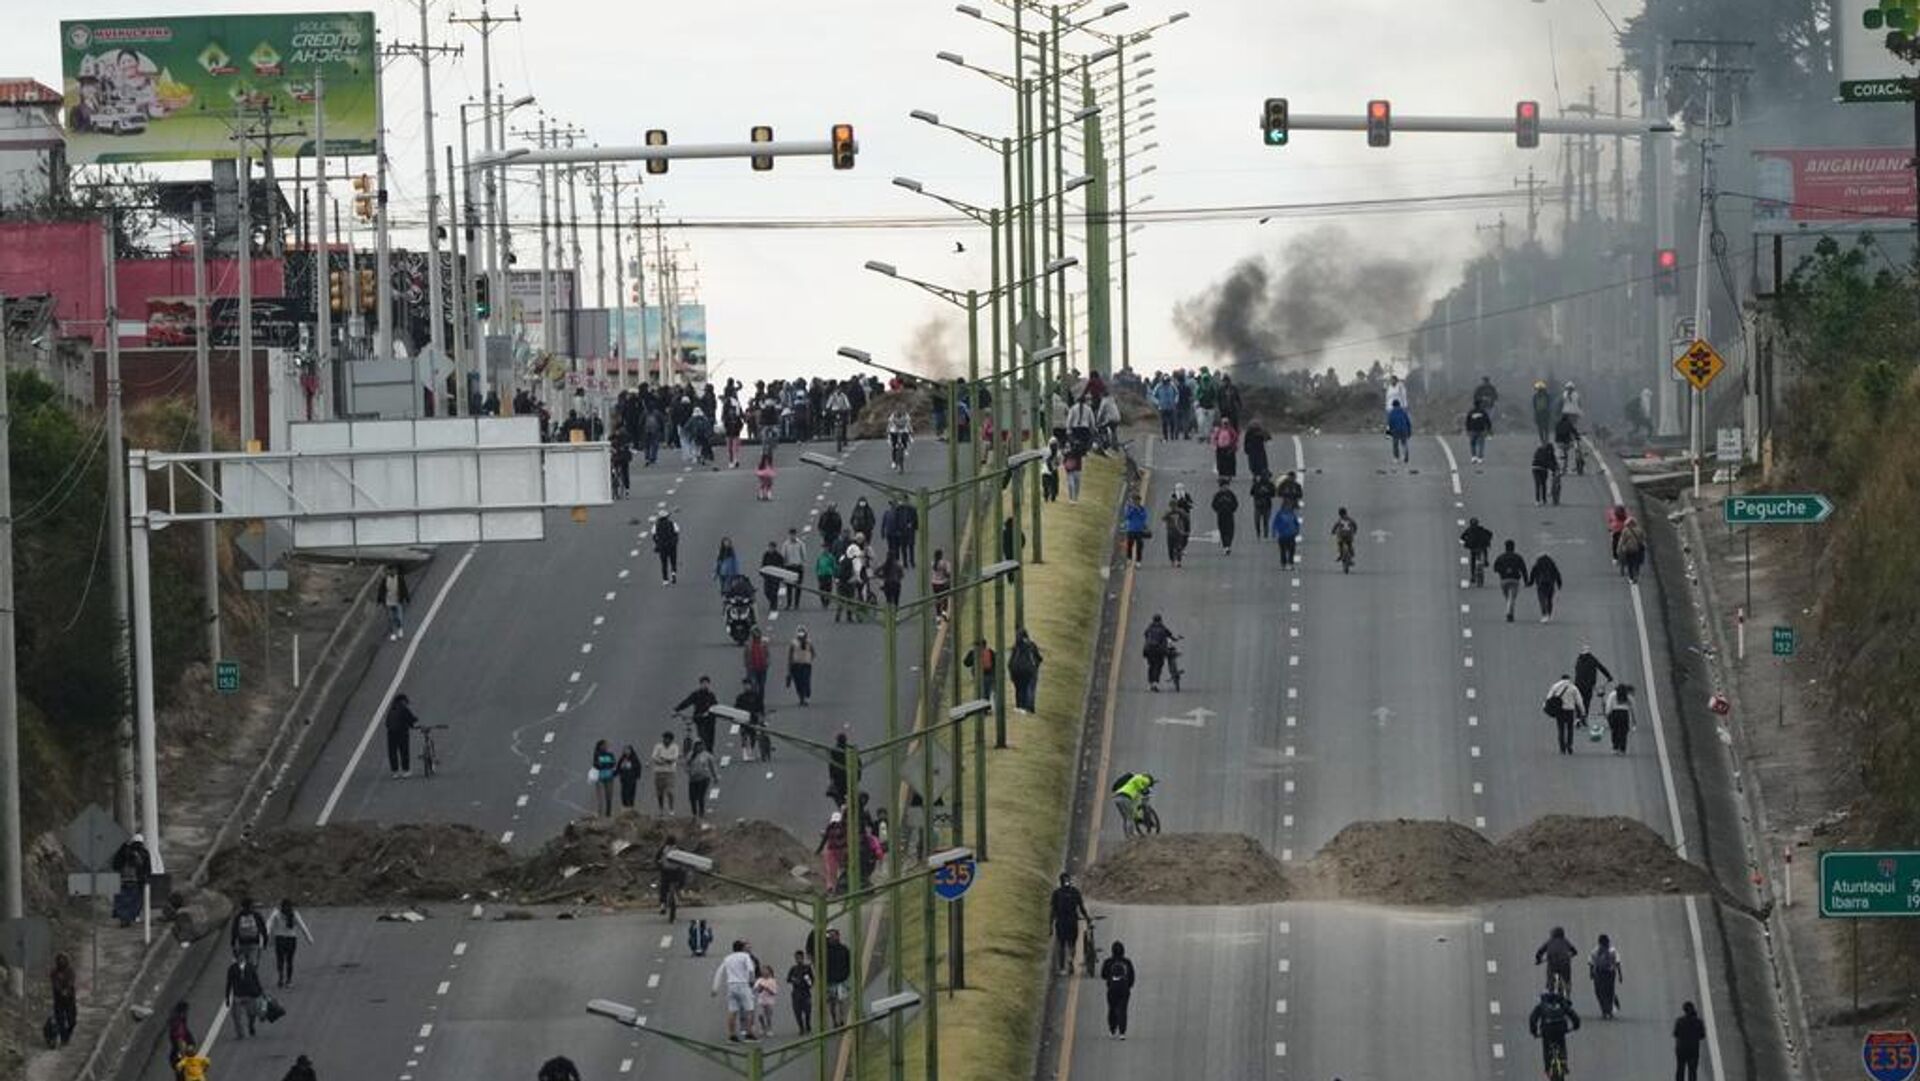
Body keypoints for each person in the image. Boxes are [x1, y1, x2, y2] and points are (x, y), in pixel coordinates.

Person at [1527, 985, 1581, 1077]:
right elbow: (1573, 1015)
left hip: (1547, 1030)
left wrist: (1534, 1032)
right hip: (1561, 1029)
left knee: (1546, 1048)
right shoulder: (1562, 1004)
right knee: (1562, 1045)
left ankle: (1548, 1068)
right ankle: (1564, 1062)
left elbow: (1533, 1019)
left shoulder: (1541, 1006)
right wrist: (1576, 1026)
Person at [713, 940, 760, 1041]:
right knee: (749, 1009)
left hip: (731, 985)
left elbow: (720, 971)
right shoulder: (745, 956)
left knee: (732, 1011)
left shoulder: (728, 958)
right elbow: (751, 970)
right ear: (742, 948)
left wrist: (715, 988)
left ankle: (732, 1034)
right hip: (743, 984)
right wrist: (752, 981)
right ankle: (749, 1033)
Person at [1050, 873, 1092, 975]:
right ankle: (1070, 959)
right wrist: (1087, 918)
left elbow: (1053, 911)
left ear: (1060, 882)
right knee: (1072, 943)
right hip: (1072, 922)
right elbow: (1081, 908)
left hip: (1061, 922)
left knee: (1062, 945)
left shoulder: (1056, 893)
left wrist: (1050, 925)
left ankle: (1062, 968)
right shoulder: (1075, 892)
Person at [268, 898, 314, 989]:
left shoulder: (276, 913)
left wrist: (267, 937)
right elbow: (302, 926)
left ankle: (281, 977)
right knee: (289, 960)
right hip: (291, 939)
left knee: (280, 960)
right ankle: (288, 980)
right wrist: (309, 939)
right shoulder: (294, 914)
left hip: (280, 938)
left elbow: (269, 924)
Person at [110, 832, 152, 927]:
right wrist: (147, 879)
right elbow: (147, 868)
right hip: (136, 881)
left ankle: (123, 918)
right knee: (134, 900)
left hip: (122, 880)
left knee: (122, 900)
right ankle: (131, 917)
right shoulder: (143, 852)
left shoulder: (123, 851)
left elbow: (115, 865)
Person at [675, 676, 720, 755]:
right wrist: (677, 709)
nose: (705, 685)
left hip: (710, 720)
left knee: (710, 738)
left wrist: (710, 712)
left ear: (709, 684)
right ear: (700, 684)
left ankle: (709, 753)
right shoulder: (696, 694)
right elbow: (687, 702)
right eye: (703, 683)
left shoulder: (711, 695)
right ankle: (699, 751)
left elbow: (715, 706)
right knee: (702, 736)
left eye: (706, 683)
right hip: (699, 719)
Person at [1101, 940, 1136, 1039]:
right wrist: (1128, 986)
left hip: (1112, 990)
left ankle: (1112, 1030)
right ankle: (1122, 1032)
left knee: (1112, 1009)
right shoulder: (1127, 962)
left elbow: (1103, 975)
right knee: (1123, 1009)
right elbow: (1132, 976)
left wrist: (1110, 980)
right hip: (1124, 989)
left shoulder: (1108, 962)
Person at [224, 956, 264, 1040]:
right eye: (239, 957)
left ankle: (251, 1025)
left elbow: (256, 979)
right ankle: (240, 1034)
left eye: (242, 958)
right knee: (236, 1016)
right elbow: (229, 983)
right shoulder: (232, 969)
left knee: (251, 1013)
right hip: (238, 995)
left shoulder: (250, 967)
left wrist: (260, 991)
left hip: (250, 994)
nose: (240, 959)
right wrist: (227, 997)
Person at [1535, 926, 1581, 998]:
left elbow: (1539, 952)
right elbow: (1574, 951)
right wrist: (1571, 955)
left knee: (1550, 978)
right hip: (1565, 963)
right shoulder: (1565, 941)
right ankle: (1567, 995)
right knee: (1567, 980)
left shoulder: (1549, 942)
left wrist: (1538, 960)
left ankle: (1550, 990)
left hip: (1552, 964)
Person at [1572, 645, 1614, 720]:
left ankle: (1578, 717)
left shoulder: (1578, 660)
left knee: (1579, 701)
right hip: (1588, 685)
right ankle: (1584, 717)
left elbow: (1577, 672)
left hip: (1578, 685)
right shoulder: (1592, 659)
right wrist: (1609, 676)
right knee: (1586, 701)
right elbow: (1601, 668)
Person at [821, 928, 852, 1027]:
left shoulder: (844, 949)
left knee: (841, 1001)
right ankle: (834, 1020)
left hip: (842, 980)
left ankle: (842, 1019)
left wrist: (846, 975)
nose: (832, 938)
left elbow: (849, 963)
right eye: (830, 936)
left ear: (838, 936)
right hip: (830, 981)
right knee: (832, 1003)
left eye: (833, 935)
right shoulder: (825, 951)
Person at [1545, 673, 1583, 755]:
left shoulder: (1555, 686)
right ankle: (1569, 746)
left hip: (1560, 711)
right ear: (1569, 679)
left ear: (1561, 679)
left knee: (1561, 729)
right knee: (1570, 729)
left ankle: (1562, 748)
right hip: (1570, 710)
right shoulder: (1573, 687)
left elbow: (1548, 698)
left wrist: (1545, 707)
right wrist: (1583, 712)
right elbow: (1579, 701)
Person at [1111, 770, 1156, 837]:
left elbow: (1137, 794)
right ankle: (1131, 835)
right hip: (1124, 797)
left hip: (1118, 797)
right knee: (1130, 817)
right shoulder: (1143, 778)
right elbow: (1138, 781)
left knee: (1126, 817)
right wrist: (1143, 789)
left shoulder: (1131, 783)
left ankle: (1128, 835)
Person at [1142, 614, 1181, 691]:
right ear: (1160, 620)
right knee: (1158, 666)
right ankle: (1155, 683)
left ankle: (1150, 683)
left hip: (1149, 650)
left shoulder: (1149, 628)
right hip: (1159, 651)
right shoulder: (1163, 628)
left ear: (1153, 620)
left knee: (1151, 666)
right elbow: (1170, 636)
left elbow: (1146, 635)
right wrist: (1176, 639)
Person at [1589, 932, 1623, 1019]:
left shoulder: (1595, 951)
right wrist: (1620, 975)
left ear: (1599, 942)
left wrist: (1591, 973)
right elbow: (1618, 963)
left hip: (1599, 973)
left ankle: (1605, 1010)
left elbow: (1591, 963)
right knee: (1609, 991)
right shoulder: (1613, 950)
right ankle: (1609, 1010)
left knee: (1600, 992)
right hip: (1610, 973)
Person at [384, 694, 419, 779]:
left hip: (391, 733)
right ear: (403, 701)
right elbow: (411, 719)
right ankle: (406, 770)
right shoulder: (404, 709)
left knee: (392, 752)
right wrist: (415, 721)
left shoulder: (392, 709)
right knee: (404, 751)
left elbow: (387, 723)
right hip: (402, 733)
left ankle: (395, 772)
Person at [1009, 629, 1044, 713]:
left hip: (1016, 671)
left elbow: (1011, 661)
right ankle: (1029, 707)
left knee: (1019, 689)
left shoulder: (1015, 647)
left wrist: (1011, 672)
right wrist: (1036, 665)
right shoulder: (1031, 645)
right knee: (1029, 688)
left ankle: (1019, 706)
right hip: (1029, 670)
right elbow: (1038, 658)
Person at [1493, 540, 1529, 622]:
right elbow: (1523, 569)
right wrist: (1526, 581)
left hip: (1504, 580)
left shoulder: (1501, 557)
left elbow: (1495, 568)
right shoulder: (1518, 557)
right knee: (1512, 598)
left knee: (1508, 598)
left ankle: (1509, 612)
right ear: (1513, 547)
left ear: (1505, 547)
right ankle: (1509, 613)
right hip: (1515, 580)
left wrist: (1502, 571)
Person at [1673, 1001, 1707, 1081]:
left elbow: (1675, 1034)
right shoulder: (1698, 1022)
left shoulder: (1679, 1021)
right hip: (1693, 1050)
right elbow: (1702, 1036)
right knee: (1692, 1071)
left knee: (1680, 1069)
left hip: (1681, 1049)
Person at [817, 811, 850, 894]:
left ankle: (835, 886)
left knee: (836, 870)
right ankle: (833, 887)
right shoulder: (837, 827)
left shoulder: (842, 827)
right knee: (833, 870)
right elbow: (825, 838)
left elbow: (825, 838)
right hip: (836, 850)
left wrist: (819, 850)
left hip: (838, 850)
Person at [686, 739, 718, 823]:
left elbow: (712, 766)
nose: (699, 747)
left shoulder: (707, 755)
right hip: (693, 779)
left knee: (700, 797)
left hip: (704, 778)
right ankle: (694, 814)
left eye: (700, 745)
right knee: (692, 798)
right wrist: (689, 771)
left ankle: (701, 813)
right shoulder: (690, 755)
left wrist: (715, 777)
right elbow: (686, 765)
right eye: (697, 745)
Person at [231, 897, 268, 968]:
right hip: (254, 942)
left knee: (241, 964)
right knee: (253, 963)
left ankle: (243, 972)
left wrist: (233, 943)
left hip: (242, 942)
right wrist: (265, 941)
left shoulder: (238, 916)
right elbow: (263, 929)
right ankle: (252, 972)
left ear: (242, 906)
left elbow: (234, 930)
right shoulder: (256, 915)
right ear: (251, 905)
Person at [49, 953, 77, 1046]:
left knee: (72, 1020)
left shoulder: (70, 971)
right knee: (60, 1020)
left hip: (70, 999)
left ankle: (67, 1034)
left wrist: (67, 990)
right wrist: (60, 991)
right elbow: (55, 983)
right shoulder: (54, 972)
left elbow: (71, 981)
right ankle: (64, 1038)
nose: (61, 962)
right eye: (59, 960)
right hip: (59, 999)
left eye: (63, 960)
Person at [377, 564, 410, 641]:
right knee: (391, 619)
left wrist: (407, 598)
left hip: (397, 601)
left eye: (394, 570)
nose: (392, 572)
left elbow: (404, 588)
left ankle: (399, 629)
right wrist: (379, 600)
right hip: (388, 602)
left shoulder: (399, 579)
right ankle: (393, 633)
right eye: (390, 570)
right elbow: (381, 590)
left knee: (399, 617)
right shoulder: (385, 580)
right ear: (388, 571)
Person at [650, 730, 680, 813]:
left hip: (670, 772)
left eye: (668, 738)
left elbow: (674, 758)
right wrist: (664, 761)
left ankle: (671, 808)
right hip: (659, 772)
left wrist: (663, 758)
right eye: (664, 738)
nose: (666, 740)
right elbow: (654, 757)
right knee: (660, 792)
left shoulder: (675, 747)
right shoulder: (658, 746)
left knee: (670, 791)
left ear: (671, 740)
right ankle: (661, 808)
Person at [1602, 683, 1637, 754]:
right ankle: (1622, 748)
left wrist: (1607, 715)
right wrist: (1634, 720)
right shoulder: (1628, 696)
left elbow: (1609, 705)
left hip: (1615, 713)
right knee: (1623, 732)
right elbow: (1633, 708)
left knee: (1615, 731)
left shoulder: (1612, 695)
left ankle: (1615, 747)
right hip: (1624, 714)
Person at [787, 950, 815, 1034]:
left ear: (802, 958)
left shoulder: (807, 968)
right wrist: (794, 980)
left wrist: (808, 982)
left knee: (807, 1010)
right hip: (796, 992)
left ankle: (808, 1024)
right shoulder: (793, 969)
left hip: (805, 992)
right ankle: (801, 1027)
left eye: (800, 958)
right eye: (797, 958)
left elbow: (812, 980)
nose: (798, 960)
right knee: (797, 1011)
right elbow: (788, 979)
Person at [1531, 551, 1564, 622]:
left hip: (1541, 584)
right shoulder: (1552, 564)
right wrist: (1559, 584)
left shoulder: (1537, 564)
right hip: (1550, 584)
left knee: (1542, 599)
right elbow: (1557, 574)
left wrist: (1530, 583)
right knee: (1549, 599)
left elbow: (1533, 574)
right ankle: (1549, 614)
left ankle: (1544, 614)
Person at [787, 628, 816, 706]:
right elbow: (790, 655)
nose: (801, 638)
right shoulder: (793, 643)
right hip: (796, 665)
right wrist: (789, 667)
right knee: (798, 683)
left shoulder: (809, 643)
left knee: (806, 681)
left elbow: (813, 653)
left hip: (806, 665)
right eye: (800, 636)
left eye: (803, 636)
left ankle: (806, 694)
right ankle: (801, 699)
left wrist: (808, 659)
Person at [1461, 518, 1494, 586]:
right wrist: (1488, 540)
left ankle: (1473, 575)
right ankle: (1485, 560)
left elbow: (1462, 537)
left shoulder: (1469, 530)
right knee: (1484, 549)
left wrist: (1466, 542)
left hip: (1473, 548)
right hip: (1481, 548)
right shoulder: (1481, 529)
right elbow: (1490, 534)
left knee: (1473, 560)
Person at [1161, 493, 1191, 568]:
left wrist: (1186, 529)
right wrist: (1168, 514)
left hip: (1179, 532)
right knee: (1170, 548)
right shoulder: (1168, 512)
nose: (1173, 507)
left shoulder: (1180, 511)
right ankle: (1172, 560)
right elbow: (1163, 518)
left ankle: (1179, 561)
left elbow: (1186, 518)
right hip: (1170, 532)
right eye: (1172, 505)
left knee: (1179, 547)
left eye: (1174, 505)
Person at [1211, 478, 1239, 555]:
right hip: (1221, 516)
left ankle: (1228, 545)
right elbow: (1213, 505)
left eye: (1226, 486)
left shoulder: (1231, 494)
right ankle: (1225, 546)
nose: (1225, 487)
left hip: (1229, 515)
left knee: (1230, 531)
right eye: (1223, 486)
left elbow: (1236, 504)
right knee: (1223, 531)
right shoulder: (1218, 495)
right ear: (1220, 487)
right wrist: (1219, 510)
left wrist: (1231, 509)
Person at [1121, 493, 1149, 567]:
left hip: (1139, 530)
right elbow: (1127, 516)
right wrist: (1132, 509)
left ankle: (1138, 561)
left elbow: (1144, 517)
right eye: (1135, 500)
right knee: (1130, 545)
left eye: (1138, 500)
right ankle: (1129, 559)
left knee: (1139, 546)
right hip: (1131, 530)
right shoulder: (1130, 508)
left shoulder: (1142, 509)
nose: (1136, 502)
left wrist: (1138, 510)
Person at [1617, 517, 1648, 585]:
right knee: (1636, 563)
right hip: (1637, 549)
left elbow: (1622, 541)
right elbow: (1643, 539)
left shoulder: (1625, 531)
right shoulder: (1639, 530)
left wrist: (1620, 549)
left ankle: (1631, 577)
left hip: (1628, 549)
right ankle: (1636, 575)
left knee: (1630, 564)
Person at [653, 511, 681, 585]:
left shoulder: (656, 525)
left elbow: (654, 535)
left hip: (662, 546)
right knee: (673, 561)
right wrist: (675, 542)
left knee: (664, 563)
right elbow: (677, 532)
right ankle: (673, 573)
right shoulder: (672, 523)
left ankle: (665, 579)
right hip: (672, 545)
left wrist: (657, 544)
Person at [591, 739, 617, 816]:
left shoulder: (610, 754)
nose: (606, 746)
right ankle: (600, 813)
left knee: (609, 796)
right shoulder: (597, 754)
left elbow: (613, 764)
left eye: (606, 745)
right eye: (604, 745)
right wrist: (603, 764)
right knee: (600, 797)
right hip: (600, 777)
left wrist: (607, 764)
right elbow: (596, 764)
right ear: (600, 746)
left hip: (609, 777)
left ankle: (608, 813)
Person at [166, 1002, 195, 1069]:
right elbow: (180, 1041)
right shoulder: (178, 1028)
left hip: (181, 1043)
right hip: (180, 1047)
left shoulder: (179, 1020)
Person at [754, 962, 780, 1037]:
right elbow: (756, 990)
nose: (764, 972)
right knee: (760, 1015)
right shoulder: (759, 980)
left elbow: (774, 992)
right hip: (761, 1001)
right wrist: (760, 988)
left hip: (769, 1001)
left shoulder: (772, 981)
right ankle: (763, 1027)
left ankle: (769, 1029)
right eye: (762, 970)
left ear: (769, 971)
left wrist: (767, 988)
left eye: (765, 970)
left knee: (768, 1016)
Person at [1272, 501, 1302, 568]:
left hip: (1291, 535)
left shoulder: (1291, 514)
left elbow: (1296, 523)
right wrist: (1274, 532)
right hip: (1283, 535)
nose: (1289, 507)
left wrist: (1297, 531)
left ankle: (1289, 563)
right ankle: (1284, 563)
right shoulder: (1280, 514)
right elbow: (1275, 523)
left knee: (1291, 550)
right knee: (1283, 550)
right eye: (1288, 506)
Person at [1530, 442, 1559, 506]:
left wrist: (1555, 468)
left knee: (1541, 484)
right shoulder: (1542, 452)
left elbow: (1553, 461)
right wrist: (1553, 468)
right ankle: (1540, 500)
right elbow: (1548, 462)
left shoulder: (1540, 451)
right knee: (1540, 484)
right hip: (1538, 469)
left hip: (1539, 469)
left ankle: (1541, 500)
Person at [616, 744, 643, 810]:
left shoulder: (634, 758)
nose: (626, 752)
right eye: (625, 750)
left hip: (631, 779)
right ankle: (625, 806)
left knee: (631, 792)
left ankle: (631, 806)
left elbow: (638, 767)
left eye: (628, 750)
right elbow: (618, 767)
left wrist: (637, 775)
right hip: (624, 779)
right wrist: (617, 773)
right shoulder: (622, 759)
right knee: (624, 792)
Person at [1250, 473, 1276, 540]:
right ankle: (1259, 533)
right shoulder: (1257, 484)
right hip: (1258, 505)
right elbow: (1252, 492)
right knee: (1258, 521)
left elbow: (1273, 494)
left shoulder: (1270, 485)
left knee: (1265, 521)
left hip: (1266, 505)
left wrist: (1267, 492)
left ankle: (1265, 534)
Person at [1531, 380, 1553, 444]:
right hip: (1538, 413)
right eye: (1539, 389)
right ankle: (1542, 440)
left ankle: (1546, 439)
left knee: (1546, 427)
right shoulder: (1535, 396)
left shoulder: (1547, 395)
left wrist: (1548, 412)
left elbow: (1549, 404)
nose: (1540, 390)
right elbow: (1534, 406)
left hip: (1545, 412)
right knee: (1540, 428)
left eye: (1541, 389)